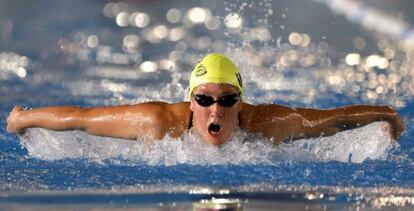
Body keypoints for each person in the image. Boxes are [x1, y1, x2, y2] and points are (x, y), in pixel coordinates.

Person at [7, 53, 404, 146]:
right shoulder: (159, 122)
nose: (217, 110)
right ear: (191, 102)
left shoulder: (266, 122)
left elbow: (333, 118)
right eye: (205, 99)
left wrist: (386, 115)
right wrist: (23, 118)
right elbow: (81, 117)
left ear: (242, 103)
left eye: (229, 100)